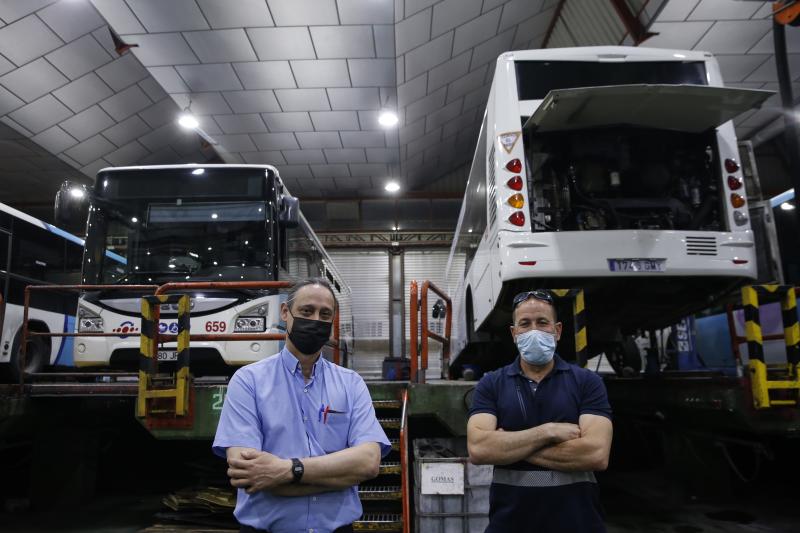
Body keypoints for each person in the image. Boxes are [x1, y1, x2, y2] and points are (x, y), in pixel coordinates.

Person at [213, 277, 391, 533]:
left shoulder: (351, 384)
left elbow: (368, 463)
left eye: (325, 314)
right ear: (286, 312)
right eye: (307, 311)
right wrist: (338, 476)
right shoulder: (248, 381)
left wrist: (288, 470)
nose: (316, 320)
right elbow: (249, 473)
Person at [467, 289, 613, 532]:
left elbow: (596, 454)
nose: (534, 330)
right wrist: (547, 432)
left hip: (578, 524)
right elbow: (479, 449)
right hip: (510, 525)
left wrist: (508, 444)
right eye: (525, 324)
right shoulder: (491, 383)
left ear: (557, 331)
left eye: (542, 322)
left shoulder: (587, 382)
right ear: (514, 334)